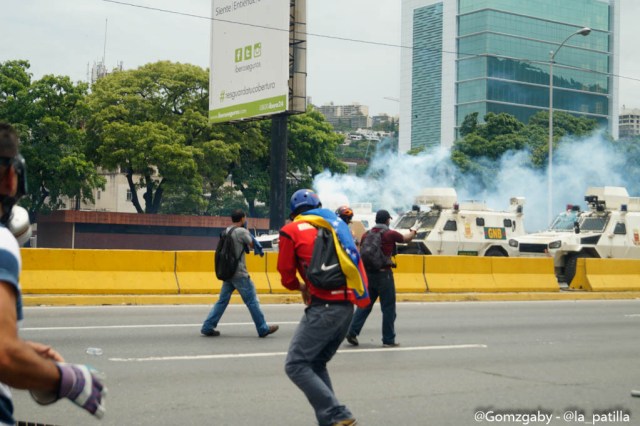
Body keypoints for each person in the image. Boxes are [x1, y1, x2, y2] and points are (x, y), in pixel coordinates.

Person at [0, 123, 106, 425]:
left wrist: (23, 352)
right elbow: (3, 356)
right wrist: (65, 378)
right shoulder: (2, 242)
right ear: (11, 177)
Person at [278, 189, 370, 426]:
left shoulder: (291, 231)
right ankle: (331, 421)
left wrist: (300, 286)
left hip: (324, 306)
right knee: (316, 363)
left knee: (296, 364)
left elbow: (286, 275)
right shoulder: (336, 227)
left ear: (294, 213)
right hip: (347, 307)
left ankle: (338, 413)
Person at [201, 209, 278, 338]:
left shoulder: (226, 231)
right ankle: (262, 328)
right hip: (239, 273)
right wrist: (247, 231)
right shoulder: (241, 232)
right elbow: (253, 245)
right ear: (242, 219)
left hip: (228, 272)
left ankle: (208, 326)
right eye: (245, 218)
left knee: (222, 301)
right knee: (252, 301)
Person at [345, 209, 416, 348]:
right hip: (384, 275)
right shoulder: (390, 234)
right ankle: (388, 339)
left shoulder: (366, 234)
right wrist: (414, 231)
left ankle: (352, 332)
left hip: (369, 274)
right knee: (388, 308)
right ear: (387, 220)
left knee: (365, 305)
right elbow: (406, 239)